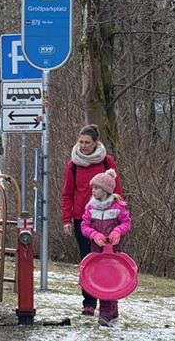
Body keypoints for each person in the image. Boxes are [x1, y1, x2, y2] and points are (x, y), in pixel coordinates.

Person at [61, 124, 123, 316]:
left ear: (96, 143)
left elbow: (117, 190)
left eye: (87, 142)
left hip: (105, 219)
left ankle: (109, 303)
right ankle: (88, 302)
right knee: (87, 260)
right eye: (80, 142)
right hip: (82, 219)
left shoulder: (107, 162)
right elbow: (67, 194)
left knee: (106, 260)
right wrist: (66, 219)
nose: (83, 146)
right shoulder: (73, 165)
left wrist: (118, 217)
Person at [80, 169, 132, 326]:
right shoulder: (90, 207)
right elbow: (84, 226)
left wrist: (117, 231)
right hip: (97, 250)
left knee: (112, 279)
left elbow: (126, 223)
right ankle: (110, 312)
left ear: (106, 190)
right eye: (93, 188)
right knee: (101, 279)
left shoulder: (118, 206)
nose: (93, 190)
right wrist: (94, 235)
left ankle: (106, 313)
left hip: (113, 251)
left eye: (96, 188)